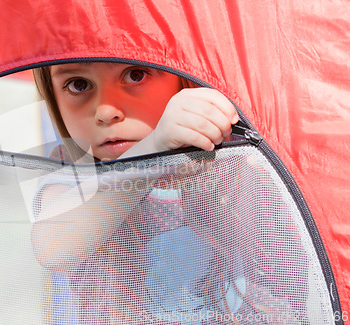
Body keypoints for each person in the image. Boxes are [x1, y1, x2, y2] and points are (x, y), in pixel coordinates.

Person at [30, 62, 244, 324]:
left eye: (136, 75)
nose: (106, 111)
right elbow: (53, 248)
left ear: (184, 78)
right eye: (79, 85)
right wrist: (153, 149)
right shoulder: (70, 173)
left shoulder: (235, 160)